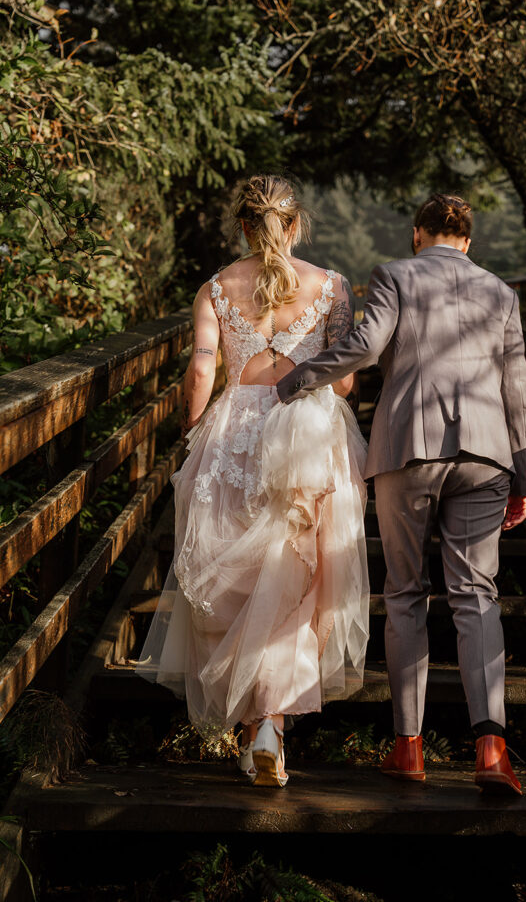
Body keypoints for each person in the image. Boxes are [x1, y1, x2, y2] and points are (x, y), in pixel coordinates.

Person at [277, 192, 526, 795]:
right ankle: (492, 752)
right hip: (487, 454)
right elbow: (517, 390)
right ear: (468, 241)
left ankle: (408, 748)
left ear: (418, 234)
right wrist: (523, 477)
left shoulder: (393, 275)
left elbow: (365, 350)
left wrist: (293, 381)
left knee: (404, 591)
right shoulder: (500, 292)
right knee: (476, 594)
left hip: (407, 451)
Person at [136, 174, 369, 788]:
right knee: (299, 585)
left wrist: (192, 435)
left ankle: (254, 730)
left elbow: (202, 368)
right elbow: (345, 381)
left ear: (243, 224)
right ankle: (270, 727)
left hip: (235, 436)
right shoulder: (333, 288)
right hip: (308, 435)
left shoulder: (215, 288)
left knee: (235, 586)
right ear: (295, 225)